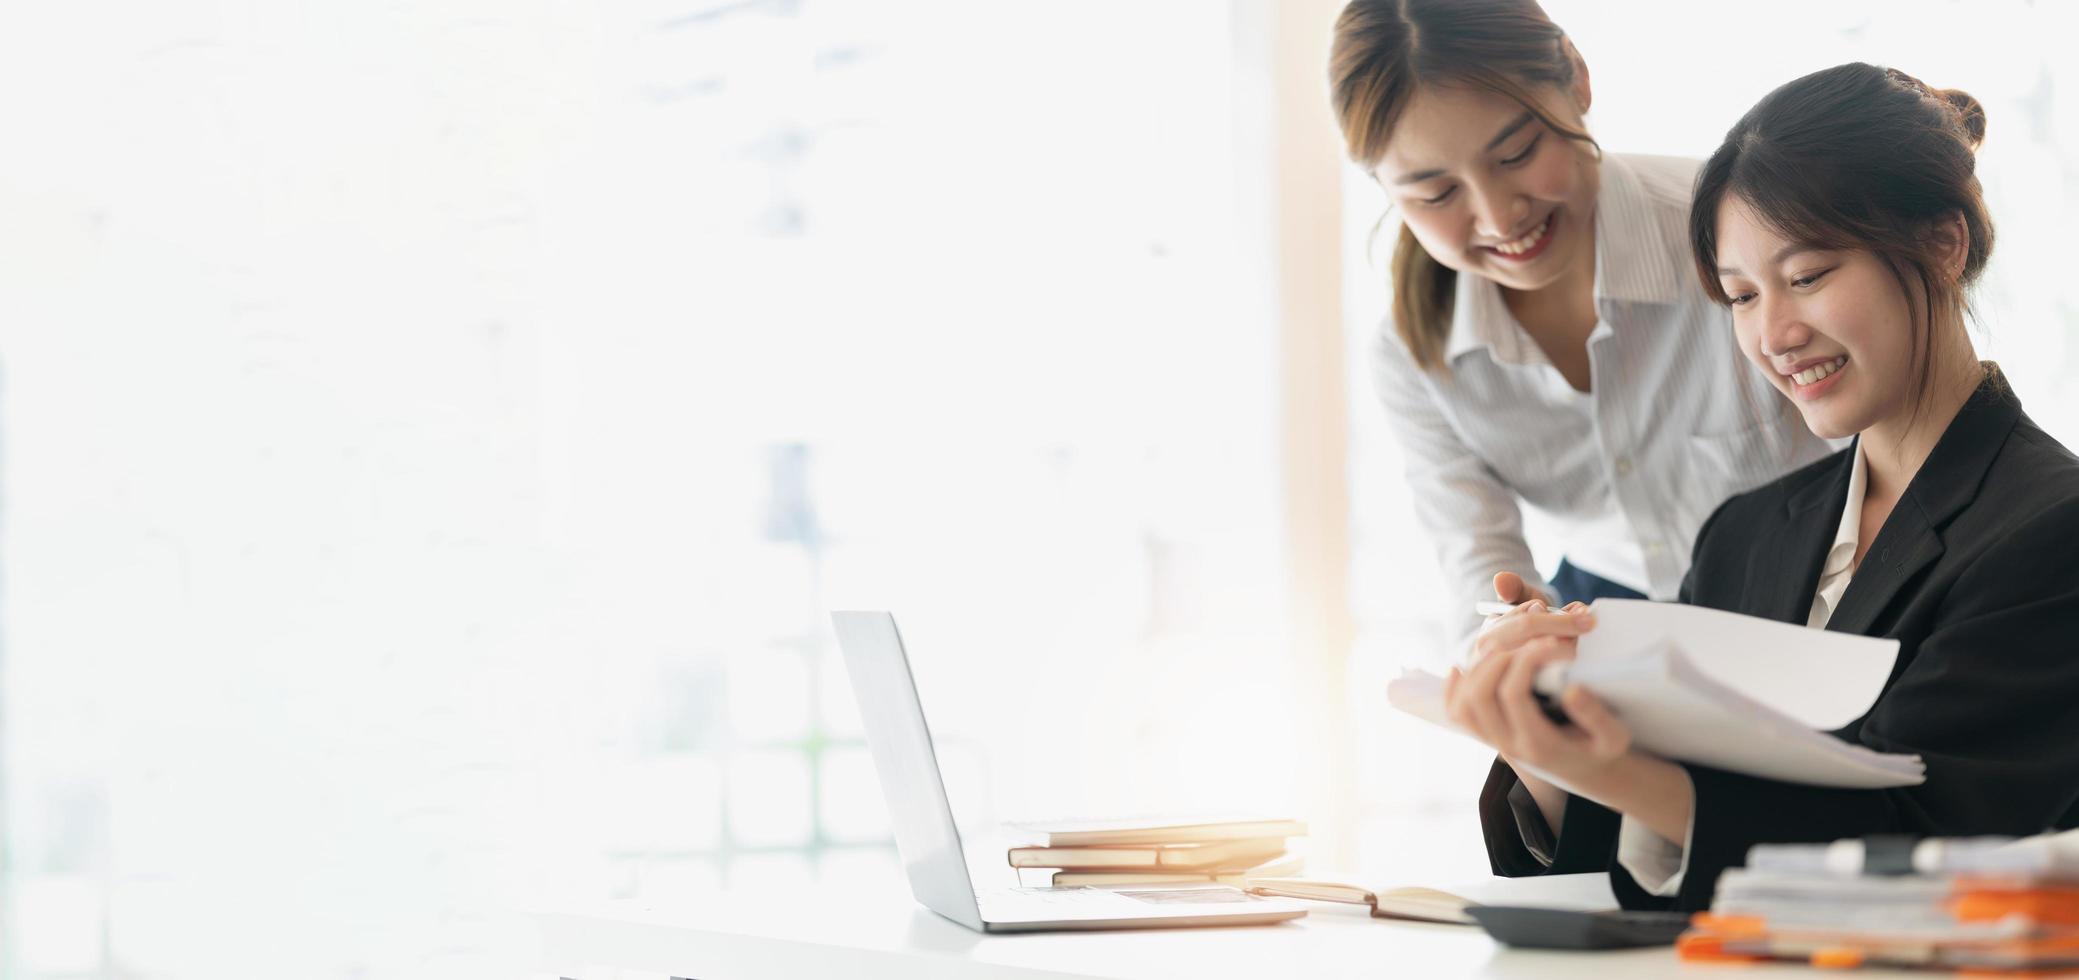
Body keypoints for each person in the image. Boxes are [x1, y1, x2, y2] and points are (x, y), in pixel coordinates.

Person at [1453, 61, 2079, 912]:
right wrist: (1547, 736)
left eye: (1808, 276)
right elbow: (1636, 872)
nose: (1774, 334)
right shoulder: (1745, 535)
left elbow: (1927, 841)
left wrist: (1613, 769)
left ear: (1941, 243)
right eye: (1741, 296)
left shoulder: (2050, 529)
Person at [1328, 0, 1831, 642]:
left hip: (1817, 598)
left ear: (1578, 76)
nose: (1499, 216)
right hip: (1601, 614)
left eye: (1515, 153)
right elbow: (1477, 555)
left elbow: (1889, 454)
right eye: (1436, 195)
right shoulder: (1410, 354)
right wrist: (1509, 627)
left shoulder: (1739, 233)